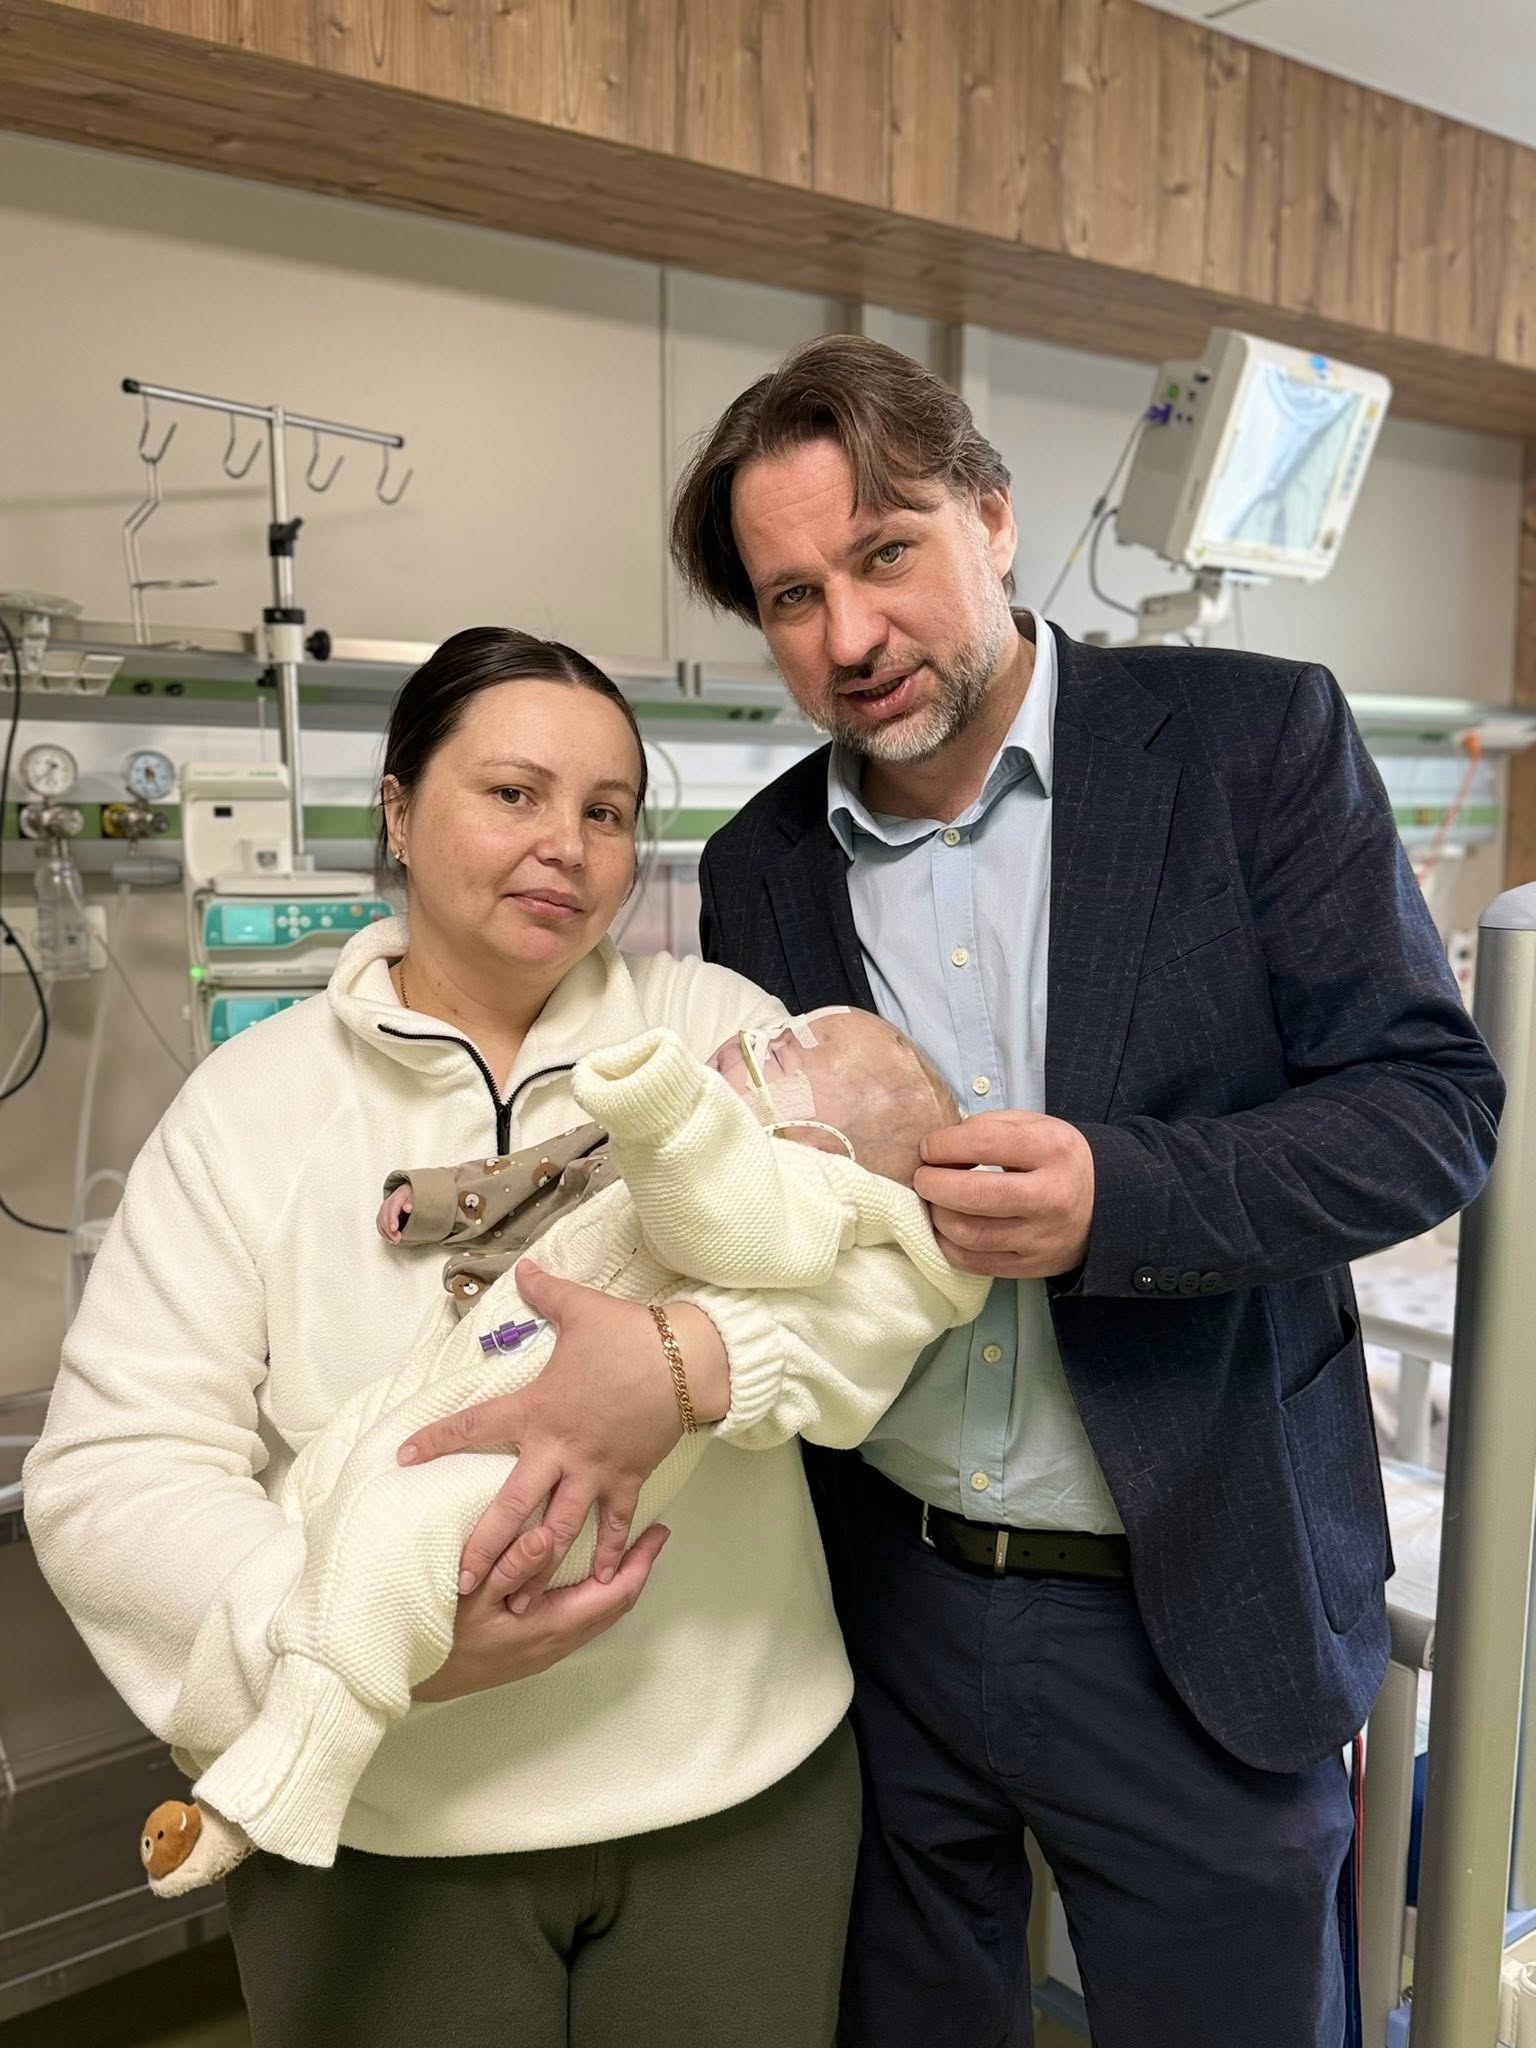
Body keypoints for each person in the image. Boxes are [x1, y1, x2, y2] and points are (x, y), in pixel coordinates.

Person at [667, 335, 1505, 2048]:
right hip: (883, 1605)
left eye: (886, 554)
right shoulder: (761, 867)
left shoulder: (1251, 742)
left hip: (1193, 1599)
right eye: (793, 597)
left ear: (992, 515)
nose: (848, 637)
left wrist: (1120, 1200)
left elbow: (1430, 1109)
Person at [24, 626, 972, 2048]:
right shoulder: (249, 1106)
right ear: (399, 811)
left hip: (730, 1796)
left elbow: (887, 1262)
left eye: (607, 811)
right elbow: (115, 1467)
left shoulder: (715, 1037)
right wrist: (339, 1638)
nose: (566, 847)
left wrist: (686, 1365)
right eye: (514, 794)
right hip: (387, 1823)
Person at [134, 1008, 982, 1891]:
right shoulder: (248, 1093)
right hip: (470, 1386)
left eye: (790, 1050)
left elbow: (722, 1222)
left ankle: (277, 1777)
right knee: (329, 1489)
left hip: (542, 1487)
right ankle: (242, 1711)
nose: (765, 1035)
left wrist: (667, 1105)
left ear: (823, 1143)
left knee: (388, 1532)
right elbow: (553, 1174)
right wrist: (439, 1197)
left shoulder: (794, 1189)